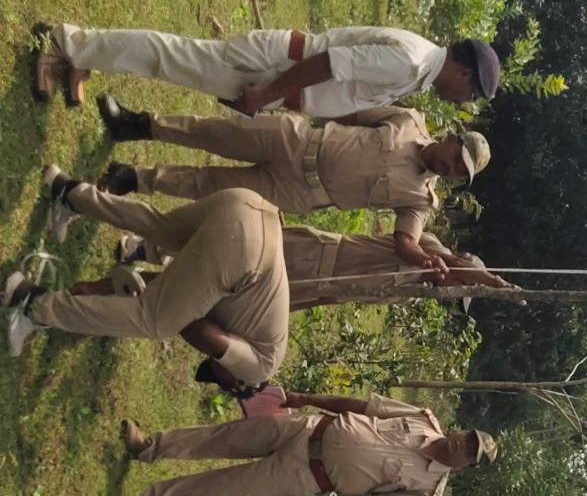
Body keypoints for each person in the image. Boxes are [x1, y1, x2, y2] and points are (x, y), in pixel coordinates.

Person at [94, 98, 490, 277]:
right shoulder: (408, 120)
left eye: (459, 172)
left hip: (298, 191)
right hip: (297, 139)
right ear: (453, 138)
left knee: (210, 186)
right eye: (457, 158)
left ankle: (133, 179)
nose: (451, 168)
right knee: (215, 132)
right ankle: (137, 124)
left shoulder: (420, 200)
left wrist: (424, 259)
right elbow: (351, 113)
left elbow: (405, 243)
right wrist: (297, 107)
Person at [3, 172, 287, 394]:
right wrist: (170, 311)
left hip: (249, 207)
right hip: (244, 248)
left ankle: (68, 192)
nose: (214, 365)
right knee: (156, 322)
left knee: (160, 228)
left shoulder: (258, 326)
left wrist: (101, 287)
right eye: (220, 376)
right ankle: (31, 303)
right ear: (236, 381)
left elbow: (175, 285)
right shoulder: (258, 369)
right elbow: (204, 334)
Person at [113, 390, 498, 496]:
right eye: (467, 439)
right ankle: (149, 447)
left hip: (306, 475)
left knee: (225, 487)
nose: (462, 446)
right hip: (308, 428)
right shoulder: (422, 418)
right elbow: (361, 406)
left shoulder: (427, 490)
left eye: (470, 453)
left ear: (467, 466)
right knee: (222, 436)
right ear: (461, 431)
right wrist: (305, 398)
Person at [31, 22, 499, 113]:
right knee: (169, 57)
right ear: (464, 74)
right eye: (472, 94)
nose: (465, 102)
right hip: (273, 67)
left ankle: (83, 58)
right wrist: (267, 94)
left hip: (279, 75)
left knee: (172, 61)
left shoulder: (420, 68)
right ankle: (64, 45)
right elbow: (329, 63)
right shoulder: (410, 61)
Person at [110, 227, 517, 308]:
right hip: (312, 254)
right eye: (461, 288)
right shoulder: (430, 249)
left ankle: (146, 282)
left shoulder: (411, 292)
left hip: (308, 284)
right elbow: (448, 262)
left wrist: (292, 305)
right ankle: (144, 245)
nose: (450, 294)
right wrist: (497, 284)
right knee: (232, 245)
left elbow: (337, 298)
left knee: (229, 284)